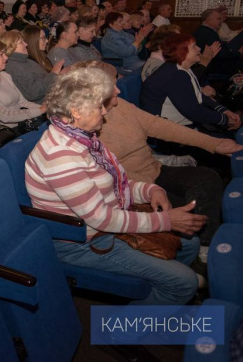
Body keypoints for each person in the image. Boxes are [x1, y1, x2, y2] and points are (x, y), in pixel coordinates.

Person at [26, 67, 205, 305]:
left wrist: (150, 190)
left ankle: (161, 286)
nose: (104, 112)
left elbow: (113, 183)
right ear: (76, 111)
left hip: (108, 222)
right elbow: (101, 219)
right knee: (184, 281)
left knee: (189, 244)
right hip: (84, 242)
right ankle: (125, 328)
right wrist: (167, 220)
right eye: (99, 106)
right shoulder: (60, 157)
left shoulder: (83, 137)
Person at [77, 60, 240, 251]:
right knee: (185, 206)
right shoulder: (86, 125)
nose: (118, 89)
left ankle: (206, 247)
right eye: (112, 85)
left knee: (207, 178)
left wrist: (214, 144)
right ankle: (192, 249)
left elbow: (159, 126)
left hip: (153, 169)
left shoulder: (120, 106)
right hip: (130, 188)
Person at [141, 33, 240, 134]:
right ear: (182, 52)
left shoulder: (182, 67)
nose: (199, 49)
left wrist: (223, 110)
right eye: (194, 47)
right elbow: (194, 112)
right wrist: (226, 120)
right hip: (166, 132)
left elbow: (197, 94)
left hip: (180, 125)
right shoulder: (175, 75)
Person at [0, 38, 44, 128]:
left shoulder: (5, 75)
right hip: (8, 132)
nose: (6, 57)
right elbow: (3, 116)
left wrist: (45, 108)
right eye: (1, 54)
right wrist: (41, 110)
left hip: (24, 124)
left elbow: (23, 103)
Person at [0, 27, 61, 104]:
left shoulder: (26, 61)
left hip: (54, 98)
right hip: (45, 105)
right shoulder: (13, 67)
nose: (26, 44)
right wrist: (53, 75)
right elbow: (33, 93)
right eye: (21, 42)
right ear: (10, 47)